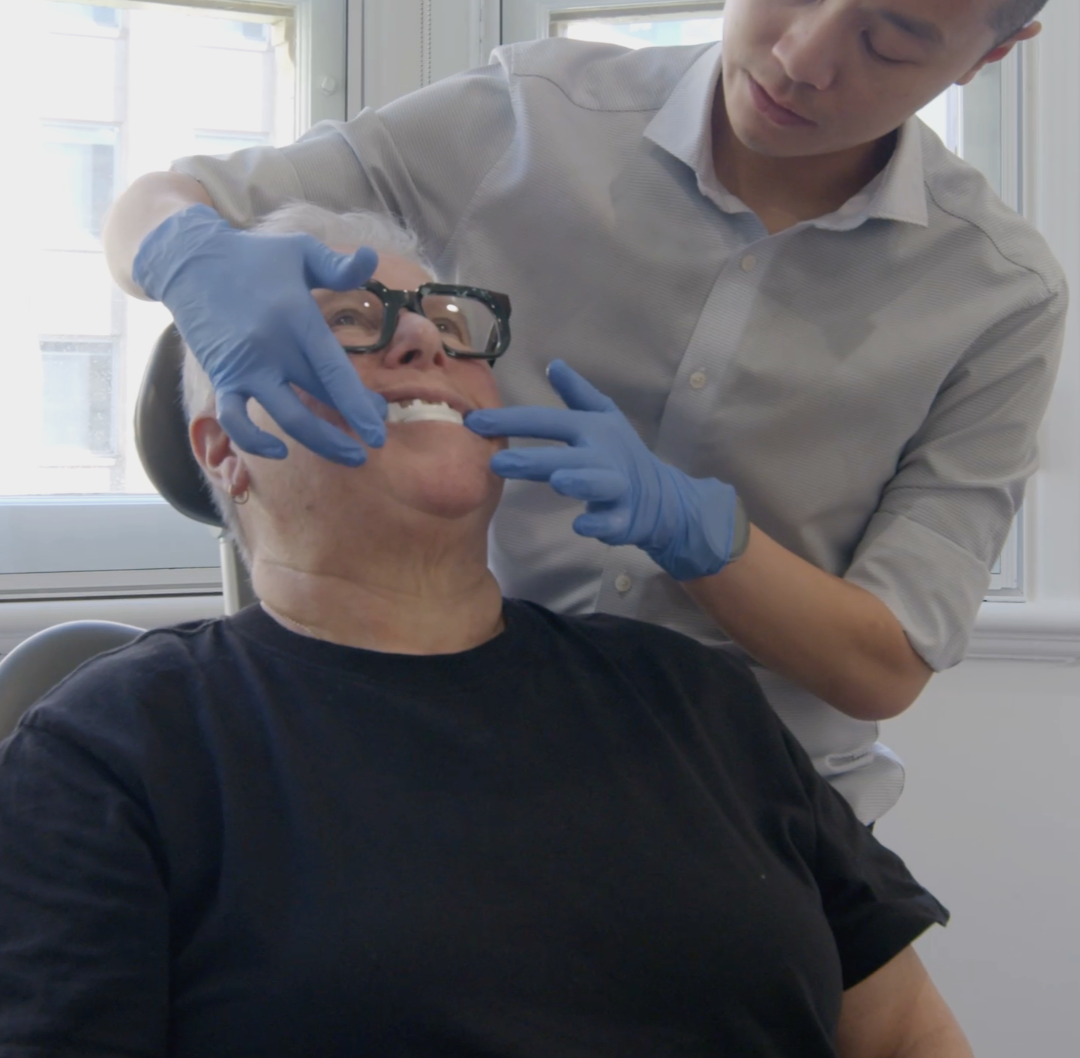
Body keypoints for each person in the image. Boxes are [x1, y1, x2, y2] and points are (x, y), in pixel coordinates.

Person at [102, 0, 1079, 823]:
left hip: (753, 815)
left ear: (996, 51)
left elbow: (886, 663)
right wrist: (187, 256)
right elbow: (165, 197)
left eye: (891, 42)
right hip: (447, 748)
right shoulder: (531, 121)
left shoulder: (999, 298)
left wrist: (701, 537)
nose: (804, 53)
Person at [0, 206, 971, 1058]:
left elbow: (903, 1032)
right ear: (226, 449)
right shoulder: (118, 748)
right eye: (347, 323)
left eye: (452, 325)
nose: (425, 339)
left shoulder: (692, 696)